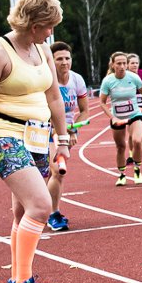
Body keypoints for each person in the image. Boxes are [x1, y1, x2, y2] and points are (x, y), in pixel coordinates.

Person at [0, 0, 69, 283]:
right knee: (41, 206)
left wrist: (63, 137)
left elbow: (54, 96)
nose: (51, 32)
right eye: (47, 25)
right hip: (5, 137)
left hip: (38, 138)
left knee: (22, 212)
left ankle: (20, 275)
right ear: (31, 23)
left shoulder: (41, 50)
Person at [99, 51, 142, 186]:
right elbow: (102, 102)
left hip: (135, 114)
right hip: (117, 117)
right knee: (121, 147)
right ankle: (122, 174)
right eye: (119, 63)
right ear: (113, 65)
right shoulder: (108, 81)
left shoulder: (134, 77)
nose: (122, 66)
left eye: (124, 63)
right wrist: (112, 117)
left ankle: (137, 171)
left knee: (137, 141)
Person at [46, 41, 87, 231]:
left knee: (57, 175)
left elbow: (84, 110)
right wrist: (61, 132)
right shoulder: (46, 80)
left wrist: (72, 130)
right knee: (56, 171)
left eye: (67, 58)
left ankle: (52, 210)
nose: (64, 62)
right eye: (59, 59)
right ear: (51, 61)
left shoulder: (77, 80)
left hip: (66, 132)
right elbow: (46, 111)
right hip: (45, 130)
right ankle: (51, 213)